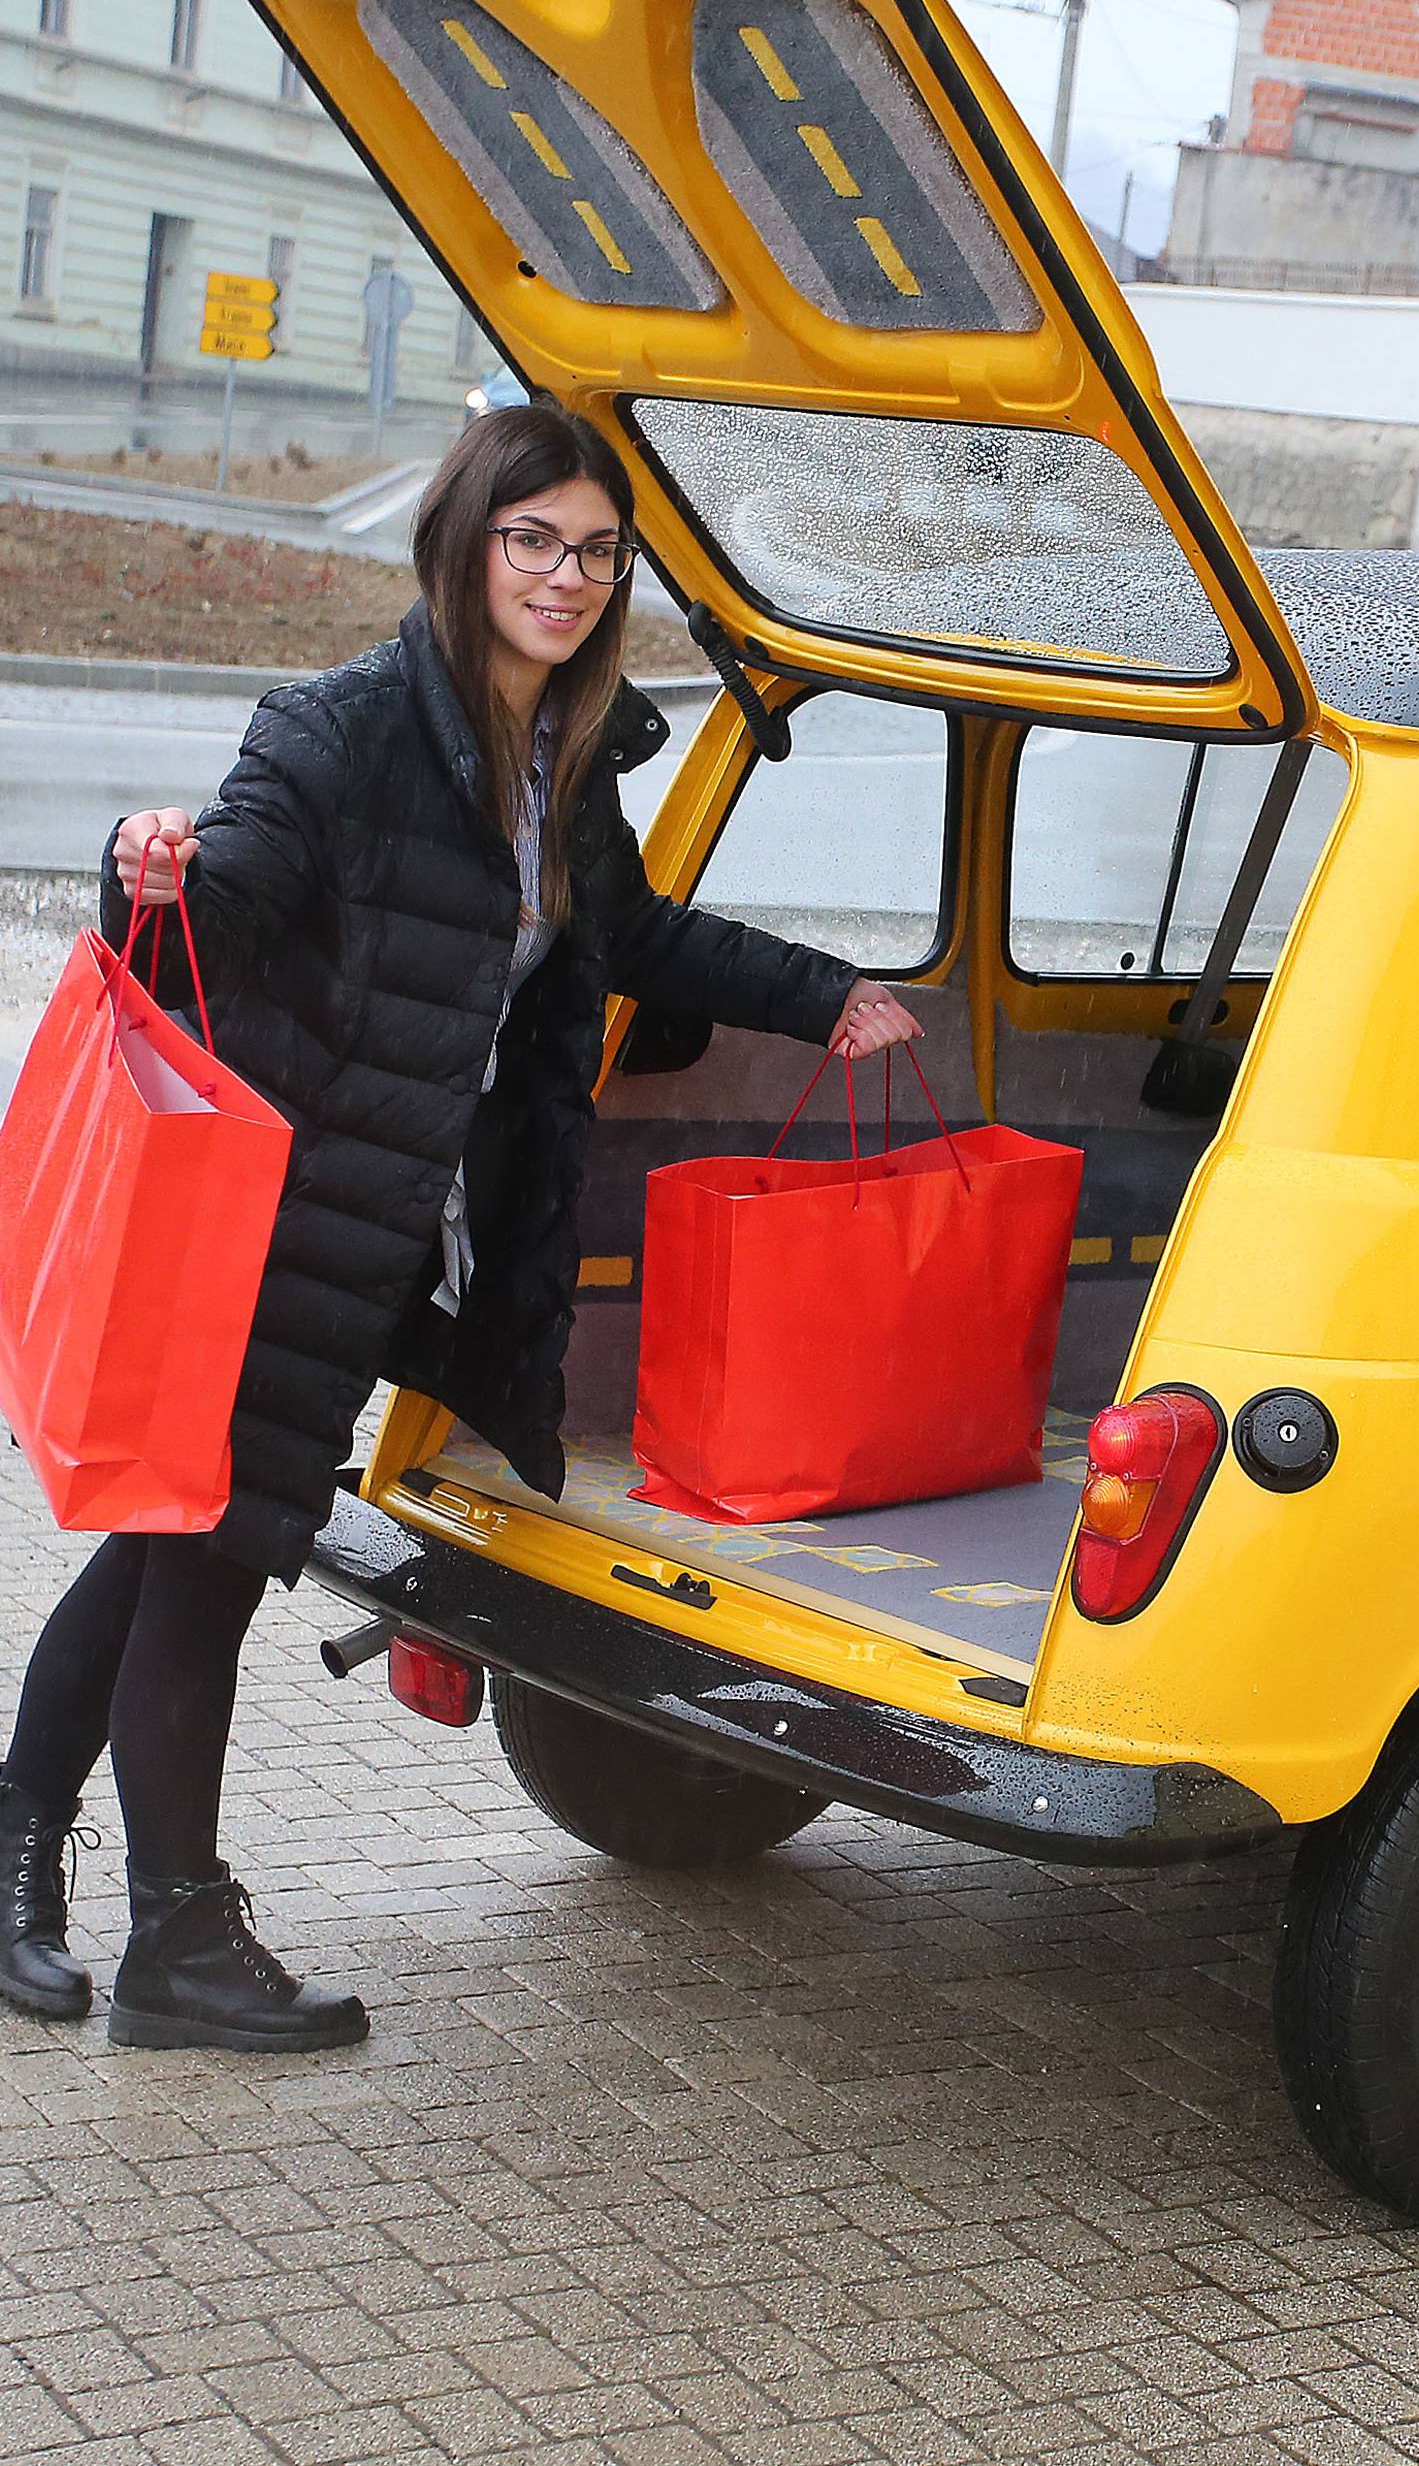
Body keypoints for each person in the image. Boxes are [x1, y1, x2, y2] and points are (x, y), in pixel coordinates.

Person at [0, 405, 920, 2053]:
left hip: (374, 1236)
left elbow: (628, 934)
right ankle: (179, 1947)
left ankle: (15, 1866)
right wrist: (143, 865)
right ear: (464, 543)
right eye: (533, 540)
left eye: (594, 549)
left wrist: (823, 991)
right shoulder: (342, 727)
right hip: (267, 1231)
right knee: (205, 1567)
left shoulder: (557, 758)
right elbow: (219, 894)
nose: (565, 577)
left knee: (162, 1549)